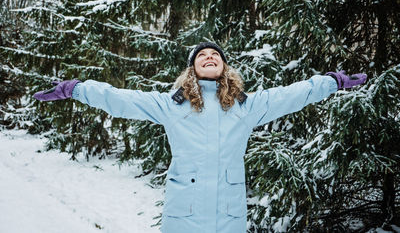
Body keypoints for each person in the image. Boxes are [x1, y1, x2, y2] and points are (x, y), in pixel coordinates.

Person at [33, 42, 367, 233]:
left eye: (215, 55)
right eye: (202, 56)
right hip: (184, 216)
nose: (210, 57)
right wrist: (77, 89)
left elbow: (291, 95)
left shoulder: (245, 106)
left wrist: (330, 82)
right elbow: (120, 98)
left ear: (224, 67)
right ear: (192, 68)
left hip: (229, 217)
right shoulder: (170, 105)